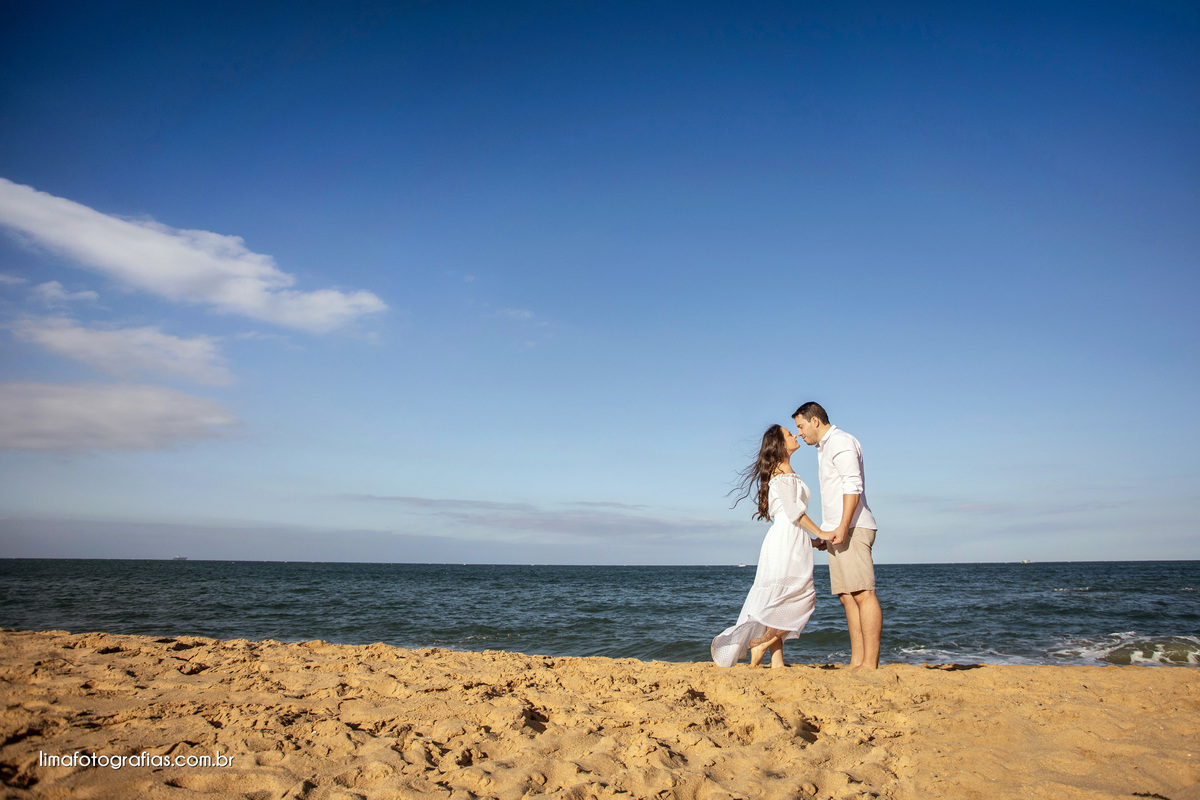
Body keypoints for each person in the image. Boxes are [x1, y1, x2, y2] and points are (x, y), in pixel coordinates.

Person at [712, 424, 832, 669]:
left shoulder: (782, 471)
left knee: (778, 601)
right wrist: (821, 532)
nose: (795, 435)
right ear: (779, 444)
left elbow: (789, 520)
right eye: (790, 434)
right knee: (803, 598)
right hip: (786, 543)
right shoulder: (784, 470)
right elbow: (795, 513)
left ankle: (777, 662)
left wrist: (812, 541)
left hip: (785, 540)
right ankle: (762, 643)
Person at [792, 401, 882, 670]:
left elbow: (853, 484)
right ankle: (857, 661)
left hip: (853, 528)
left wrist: (843, 526)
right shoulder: (824, 448)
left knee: (863, 593)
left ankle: (870, 664)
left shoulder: (840, 441)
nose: (799, 433)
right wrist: (826, 532)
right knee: (847, 596)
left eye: (801, 426)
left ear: (815, 421)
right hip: (839, 531)